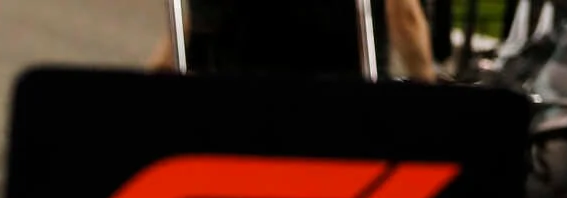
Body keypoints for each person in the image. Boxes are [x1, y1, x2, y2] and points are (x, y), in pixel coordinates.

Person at [147, 0, 437, 82]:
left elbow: (203, 17)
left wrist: (161, 64)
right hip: (343, 104)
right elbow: (404, 15)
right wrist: (425, 81)